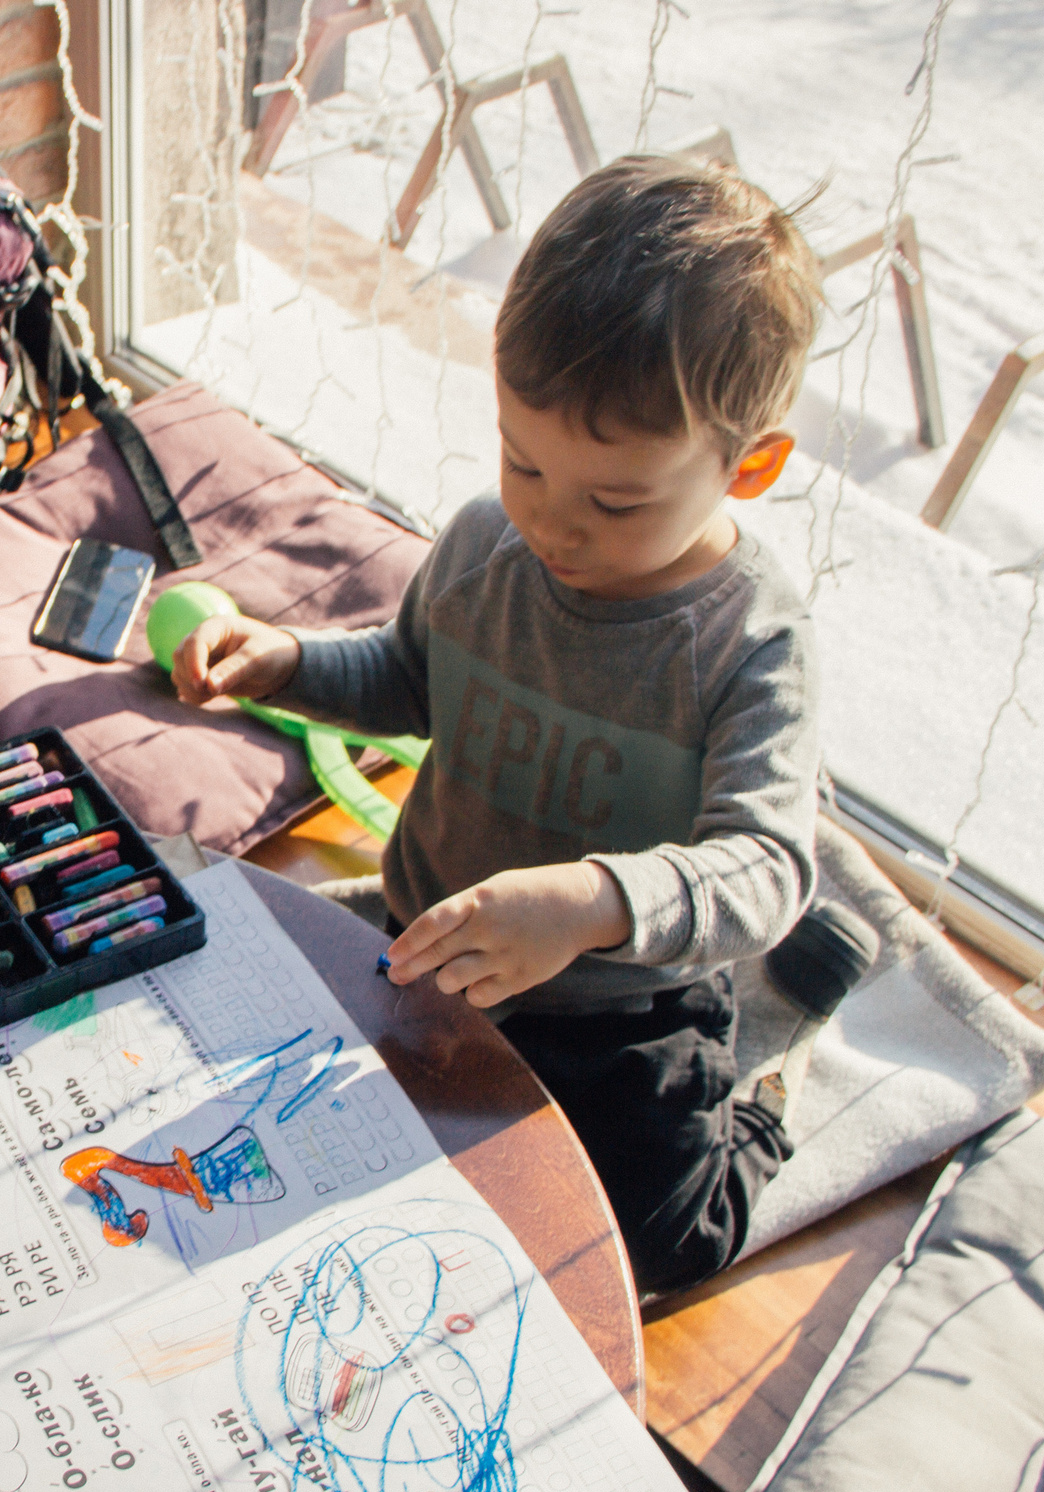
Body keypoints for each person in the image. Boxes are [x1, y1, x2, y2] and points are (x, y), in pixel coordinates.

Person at [173, 156, 876, 1296]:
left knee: (655, 1243)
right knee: (332, 1164)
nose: (551, 519)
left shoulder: (748, 639)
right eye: (520, 458)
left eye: (615, 500)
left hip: (620, 1000)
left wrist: (595, 906)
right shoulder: (481, 543)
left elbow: (765, 864)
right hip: (427, 945)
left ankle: (772, 1067)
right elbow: (408, 681)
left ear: (750, 466)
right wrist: (286, 662)